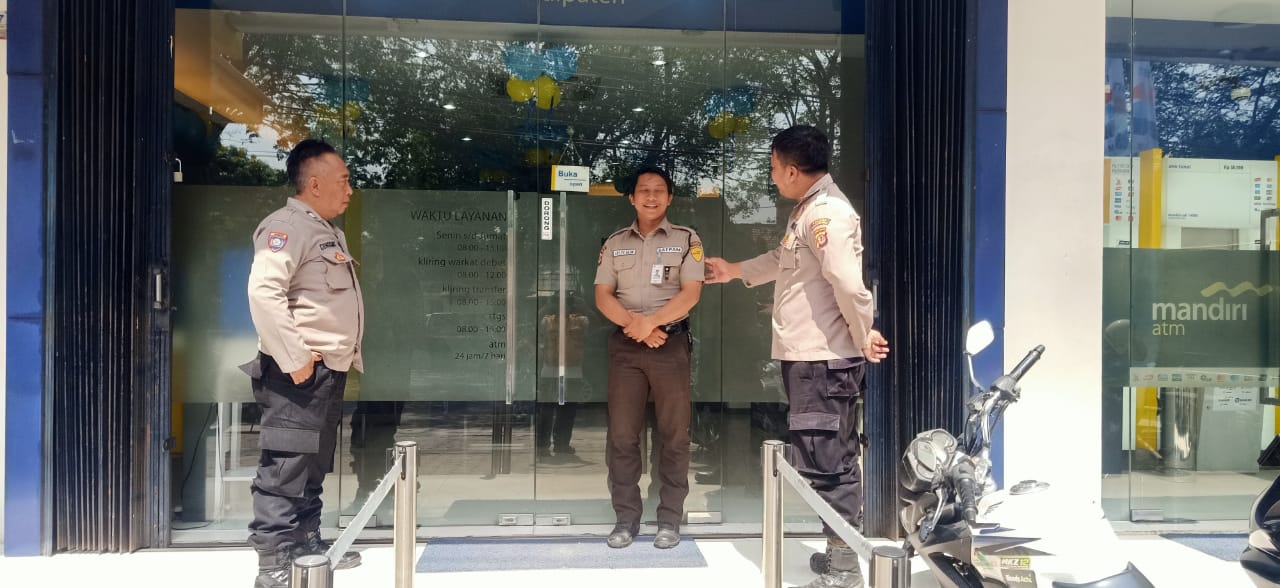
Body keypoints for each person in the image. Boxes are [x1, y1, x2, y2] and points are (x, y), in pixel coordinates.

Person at [705, 125, 889, 588]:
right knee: (824, 455)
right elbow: (780, 259)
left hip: (822, 360)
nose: (771, 176)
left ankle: (844, 568)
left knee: (828, 461)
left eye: (772, 168)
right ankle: (837, 552)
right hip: (810, 357)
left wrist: (863, 334)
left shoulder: (827, 214)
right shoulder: (807, 210)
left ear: (791, 170)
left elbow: (847, 283)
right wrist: (733, 271)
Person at [241, 139, 364, 588]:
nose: (349, 190)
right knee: (286, 465)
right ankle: (273, 562)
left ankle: (306, 545)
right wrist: (294, 358)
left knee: (313, 463)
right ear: (314, 184)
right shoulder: (286, 227)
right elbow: (264, 293)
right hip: (296, 372)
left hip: (325, 368)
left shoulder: (325, 230)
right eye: (343, 181)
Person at [594, 164, 704, 549]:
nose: (651, 196)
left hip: (670, 345)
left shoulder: (686, 239)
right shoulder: (614, 243)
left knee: (674, 434)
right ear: (632, 198)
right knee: (623, 435)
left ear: (669, 198)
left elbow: (691, 293)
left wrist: (652, 323)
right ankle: (626, 518)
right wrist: (636, 326)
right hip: (627, 347)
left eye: (659, 190)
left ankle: (669, 518)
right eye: (644, 190)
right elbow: (602, 295)